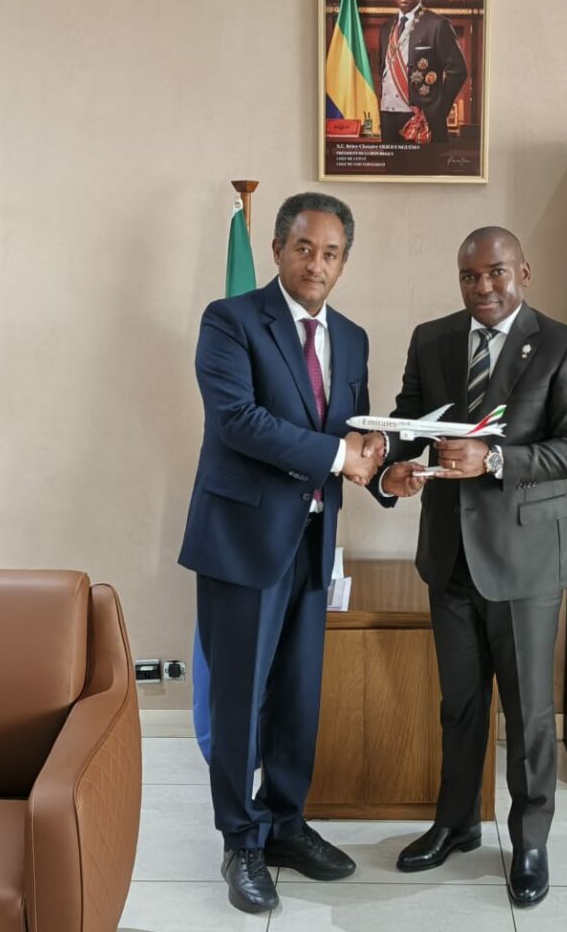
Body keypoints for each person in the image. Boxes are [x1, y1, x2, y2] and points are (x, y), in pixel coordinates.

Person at [377, 226, 567, 907]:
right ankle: (455, 824)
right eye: (469, 276)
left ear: (522, 273)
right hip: (448, 555)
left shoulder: (562, 345)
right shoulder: (432, 338)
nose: (482, 287)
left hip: (525, 561)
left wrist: (496, 459)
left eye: (496, 272)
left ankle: (529, 840)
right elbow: (409, 420)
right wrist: (391, 466)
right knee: (461, 705)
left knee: (529, 712)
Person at [178, 192, 382, 915]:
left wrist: (386, 469)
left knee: (298, 694)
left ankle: (285, 825)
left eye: (330, 253)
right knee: (240, 698)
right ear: (275, 249)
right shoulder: (229, 320)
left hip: (313, 542)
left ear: (343, 262)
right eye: (303, 248)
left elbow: (354, 431)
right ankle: (240, 840)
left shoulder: (352, 336)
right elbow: (239, 421)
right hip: (242, 542)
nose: (315, 264)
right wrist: (342, 456)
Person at [378, 0, 468, 144]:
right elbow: (383, 73)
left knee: (422, 162)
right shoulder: (386, 28)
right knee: (391, 163)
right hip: (388, 116)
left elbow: (458, 71)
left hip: (420, 117)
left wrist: (438, 109)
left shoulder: (437, 25)